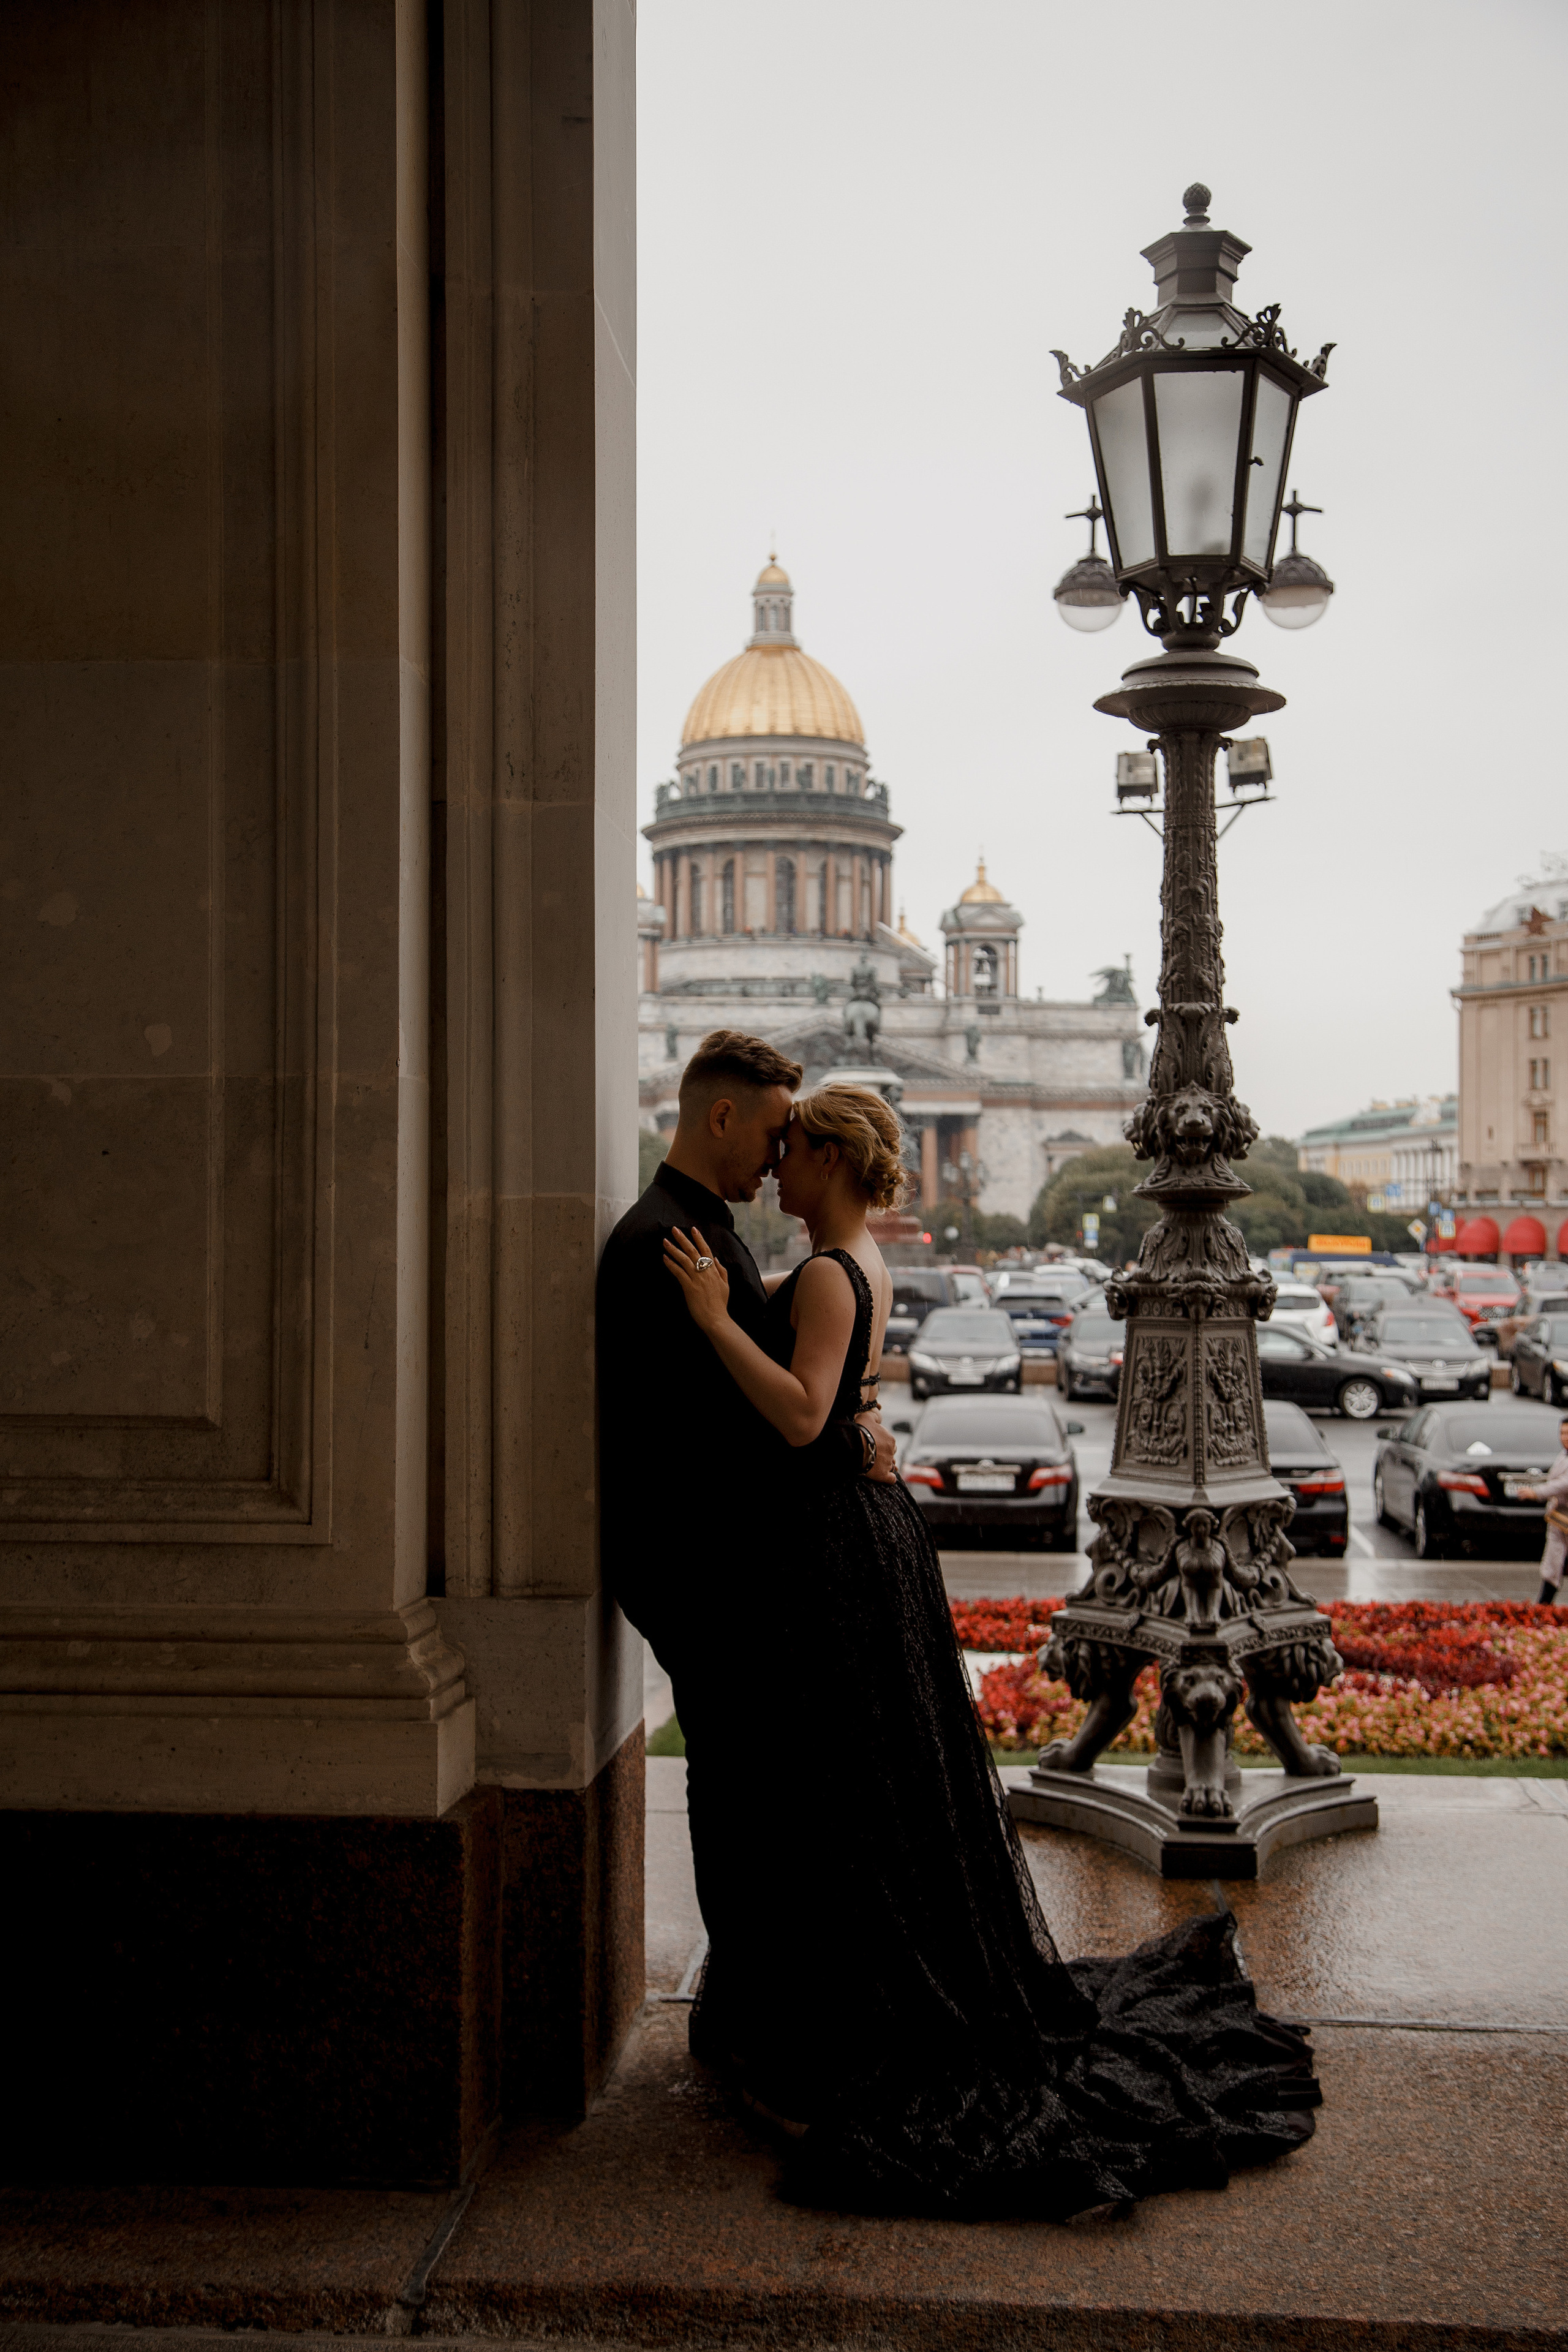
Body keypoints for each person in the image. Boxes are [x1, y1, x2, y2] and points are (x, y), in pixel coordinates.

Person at [660, 1079, 1321, 2220]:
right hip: (873, 1537)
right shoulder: (849, 1260)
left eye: (795, 1148)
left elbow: (808, 1414)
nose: (778, 1166)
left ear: (831, 1160)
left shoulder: (825, 1268)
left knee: (845, 1785)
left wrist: (715, 1318)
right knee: (883, 1783)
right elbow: (840, 1385)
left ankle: (852, 2006)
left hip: (835, 1550)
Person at [597, 1032, 895, 2003]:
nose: (778, 1158)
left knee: (755, 1796)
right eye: (771, 1135)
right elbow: (736, 1434)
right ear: (721, 1117)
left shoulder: (702, 1230)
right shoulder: (665, 1243)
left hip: (727, 1562)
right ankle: (752, 2012)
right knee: (737, 1797)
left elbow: (784, 1368)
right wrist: (854, 1441)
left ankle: (758, 2003)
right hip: (705, 1569)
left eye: (795, 1144)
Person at [1515, 1419, 1568, 1604]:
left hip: (1565, 1519)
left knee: (1556, 1566)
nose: (1565, 1438)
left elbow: (1563, 1484)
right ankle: (1543, 1608)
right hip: (1560, 1521)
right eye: (1562, 1433)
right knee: (1553, 1568)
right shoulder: (1563, 1456)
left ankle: (1543, 1608)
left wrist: (1536, 1493)